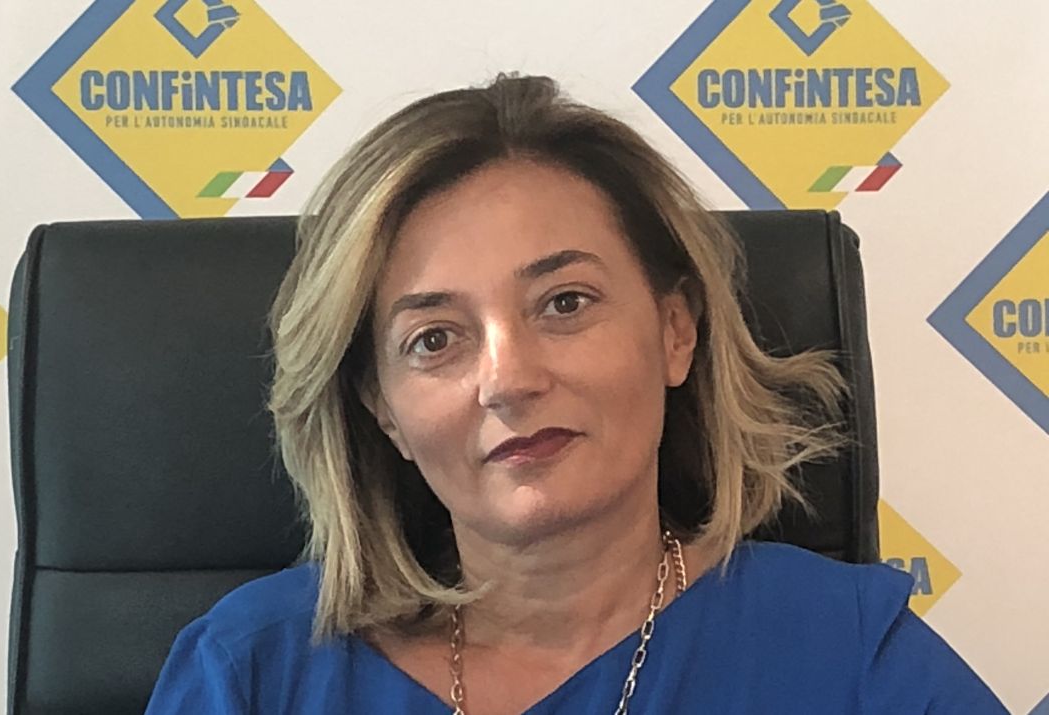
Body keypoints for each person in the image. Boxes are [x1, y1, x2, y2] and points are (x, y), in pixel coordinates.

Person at [145, 74, 1006, 714]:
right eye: (434, 339)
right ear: (383, 411)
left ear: (675, 331)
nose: (509, 378)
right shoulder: (252, 669)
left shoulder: (845, 649)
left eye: (564, 303)